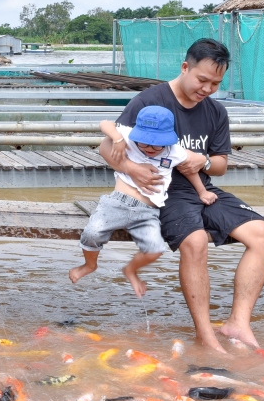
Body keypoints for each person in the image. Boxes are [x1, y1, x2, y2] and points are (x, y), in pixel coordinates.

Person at [105, 39, 264, 352]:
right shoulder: (149, 102)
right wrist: (135, 169)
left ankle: (238, 323)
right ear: (185, 68)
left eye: (216, 83)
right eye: (202, 80)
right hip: (160, 191)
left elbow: (221, 164)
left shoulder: (215, 111)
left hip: (202, 188)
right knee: (195, 242)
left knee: (263, 235)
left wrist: (205, 161)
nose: (208, 89)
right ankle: (206, 336)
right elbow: (106, 147)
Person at [70, 106, 215, 297]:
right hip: (117, 203)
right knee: (92, 233)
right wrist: (118, 139)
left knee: (155, 249)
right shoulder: (128, 136)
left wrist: (202, 191)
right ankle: (89, 265)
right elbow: (105, 124)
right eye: (145, 143)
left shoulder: (175, 151)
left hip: (149, 210)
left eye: (157, 145)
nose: (150, 149)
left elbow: (190, 170)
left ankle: (131, 270)